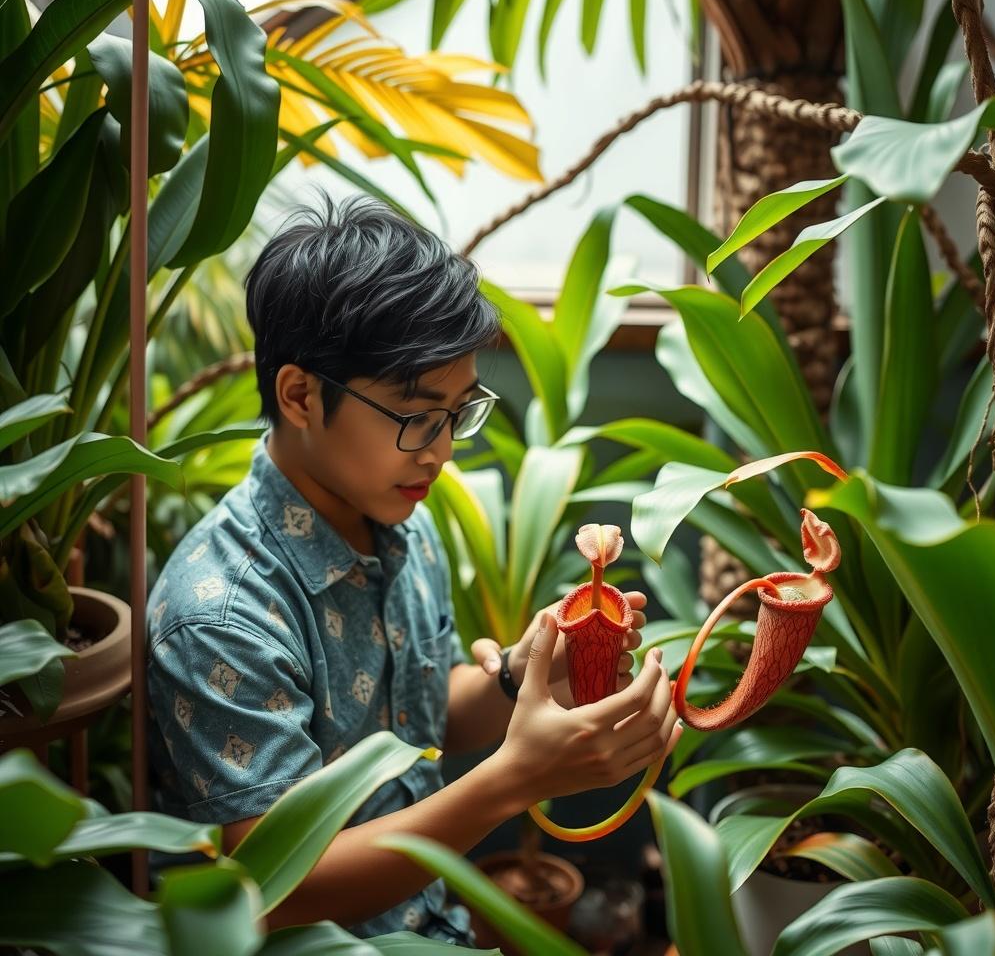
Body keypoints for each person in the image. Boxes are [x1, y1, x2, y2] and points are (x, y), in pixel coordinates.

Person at [146, 194, 680, 944]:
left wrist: (522, 678)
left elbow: (423, 712)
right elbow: (273, 888)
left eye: (460, 412)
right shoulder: (222, 613)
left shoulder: (403, 520)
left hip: (432, 922)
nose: (443, 450)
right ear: (300, 395)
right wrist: (515, 780)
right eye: (416, 417)